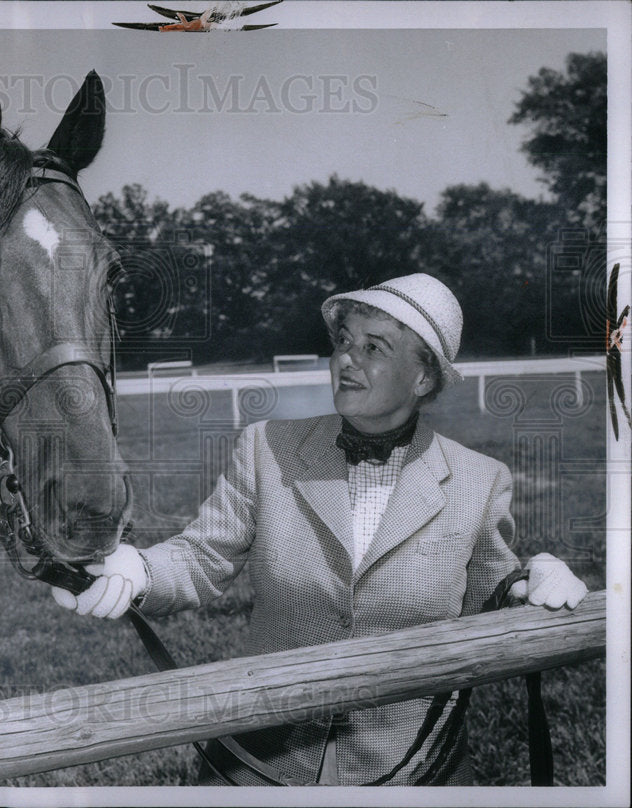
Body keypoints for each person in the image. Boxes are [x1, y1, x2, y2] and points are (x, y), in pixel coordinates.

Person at [51, 273, 588, 786]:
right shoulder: (268, 448)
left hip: (411, 771)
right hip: (256, 767)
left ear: (424, 377)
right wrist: (137, 569)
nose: (346, 359)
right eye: (344, 341)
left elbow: (494, 603)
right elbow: (200, 559)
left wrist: (536, 582)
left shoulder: (479, 479)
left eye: (374, 347)